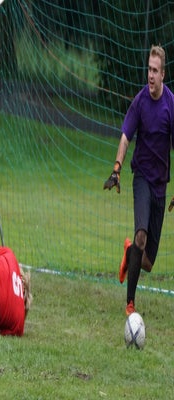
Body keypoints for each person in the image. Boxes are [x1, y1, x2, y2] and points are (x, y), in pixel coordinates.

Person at [103, 45, 174, 316]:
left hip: (160, 185)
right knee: (141, 235)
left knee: (147, 262)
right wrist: (117, 169)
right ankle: (130, 304)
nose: (150, 75)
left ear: (163, 74)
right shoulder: (140, 101)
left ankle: (129, 252)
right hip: (142, 177)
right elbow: (125, 136)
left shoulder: (171, 104)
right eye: (148, 69)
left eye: (155, 71)